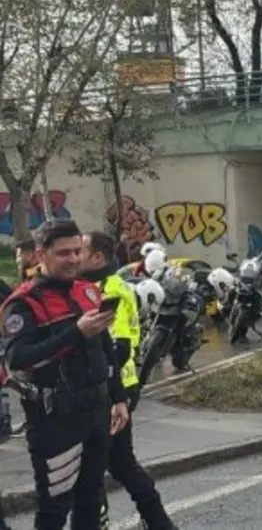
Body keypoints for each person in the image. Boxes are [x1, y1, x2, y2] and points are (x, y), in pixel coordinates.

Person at [2, 219, 129, 529]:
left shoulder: (87, 291)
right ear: (41, 255)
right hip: (54, 419)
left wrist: (119, 398)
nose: (73, 259)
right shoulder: (23, 303)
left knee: (90, 501)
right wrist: (75, 332)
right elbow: (17, 359)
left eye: (77, 251)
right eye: (63, 254)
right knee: (54, 508)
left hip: (96, 412)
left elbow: (105, 349)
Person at [81, 231, 176, 530]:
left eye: (79, 251)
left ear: (98, 257)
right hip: (112, 388)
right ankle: (159, 522)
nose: (74, 256)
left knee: (95, 467)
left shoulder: (111, 291)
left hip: (113, 390)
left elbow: (119, 348)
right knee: (120, 462)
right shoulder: (93, 286)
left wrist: (109, 390)